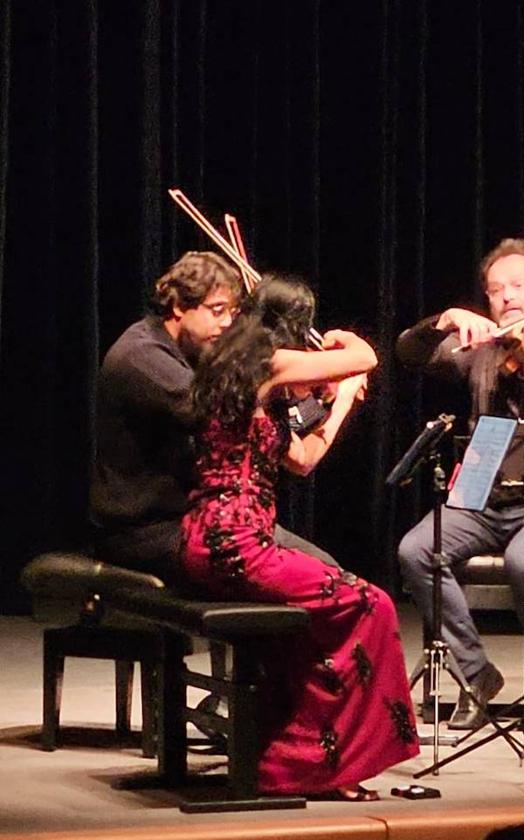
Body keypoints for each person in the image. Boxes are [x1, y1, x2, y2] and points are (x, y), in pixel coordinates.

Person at [181, 274, 419, 799]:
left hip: (205, 537)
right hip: (240, 542)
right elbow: (366, 358)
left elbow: (302, 459)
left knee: (310, 629)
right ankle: (331, 763)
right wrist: (340, 342)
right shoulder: (272, 363)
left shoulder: (226, 367)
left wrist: (338, 405)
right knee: (372, 604)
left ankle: (299, 758)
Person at [395, 238, 524, 734]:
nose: (506, 297)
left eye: (519, 286)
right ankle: (476, 673)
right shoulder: (481, 352)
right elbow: (408, 352)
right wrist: (441, 321)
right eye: (495, 290)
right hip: (485, 497)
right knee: (416, 550)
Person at [89, 251, 337, 581]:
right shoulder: (143, 355)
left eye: (232, 314)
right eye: (216, 311)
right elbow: (223, 416)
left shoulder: (194, 354)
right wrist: (294, 382)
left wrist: (312, 401)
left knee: (323, 569)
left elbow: (268, 432)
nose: (226, 324)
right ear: (178, 307)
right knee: (317, 574)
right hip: (146, 530)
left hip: (202, 516)